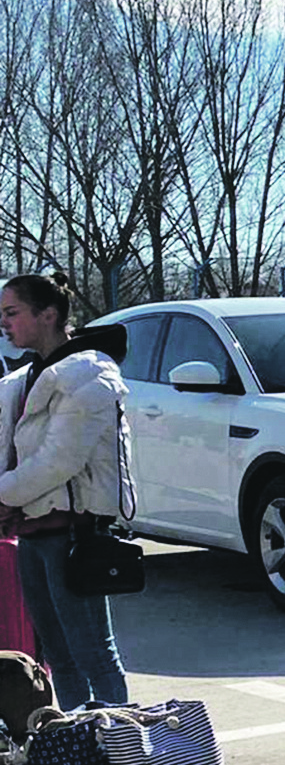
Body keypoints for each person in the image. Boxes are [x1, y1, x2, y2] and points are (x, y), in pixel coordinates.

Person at [0, 272, 133, 709]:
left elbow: (59, 461)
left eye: (12, 313)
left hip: (72, 535)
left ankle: (121, 754)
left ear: (49, 314)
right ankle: (83, 748)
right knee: (58, 657)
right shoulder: (26, 377)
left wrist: (3, 496)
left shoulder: (87, 374)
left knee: (94, 652)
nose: (4, 323)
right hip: (33, 535)